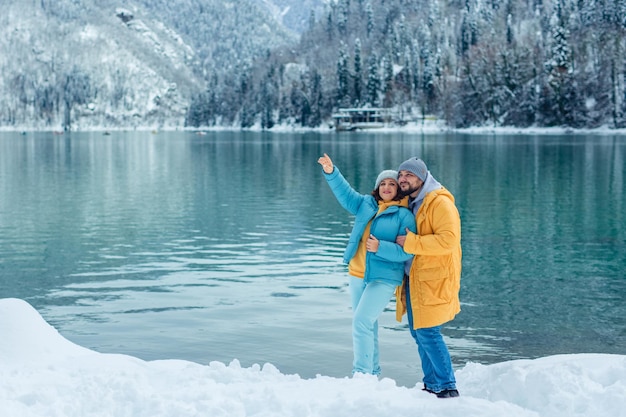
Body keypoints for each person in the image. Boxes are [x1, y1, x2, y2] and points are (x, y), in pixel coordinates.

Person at [318, 153, 416, 376]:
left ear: (399, 189)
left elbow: (407, 251)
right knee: (367, 325)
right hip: (356, 274)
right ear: (377, 187)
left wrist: (380, 247)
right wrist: (331, 172)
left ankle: (361, 374)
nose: (387, 187)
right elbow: (345, 194)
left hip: (383, 278)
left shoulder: (404, 216)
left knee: (361, 322)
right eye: (383, 183)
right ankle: (372, 372)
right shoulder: (365, 205)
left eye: (392, 183)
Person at [394, 157, 462, 398]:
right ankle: (432, 384)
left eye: (409, 175)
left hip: (434, 279)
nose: (403, 179)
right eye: (400, 175)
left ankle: (447, 386)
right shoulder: (412, 202)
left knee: (428, 332)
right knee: (418, 331)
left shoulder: (439, 203)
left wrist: (412, 242)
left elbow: (448, 240)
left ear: (422, 177)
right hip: (415, 278)